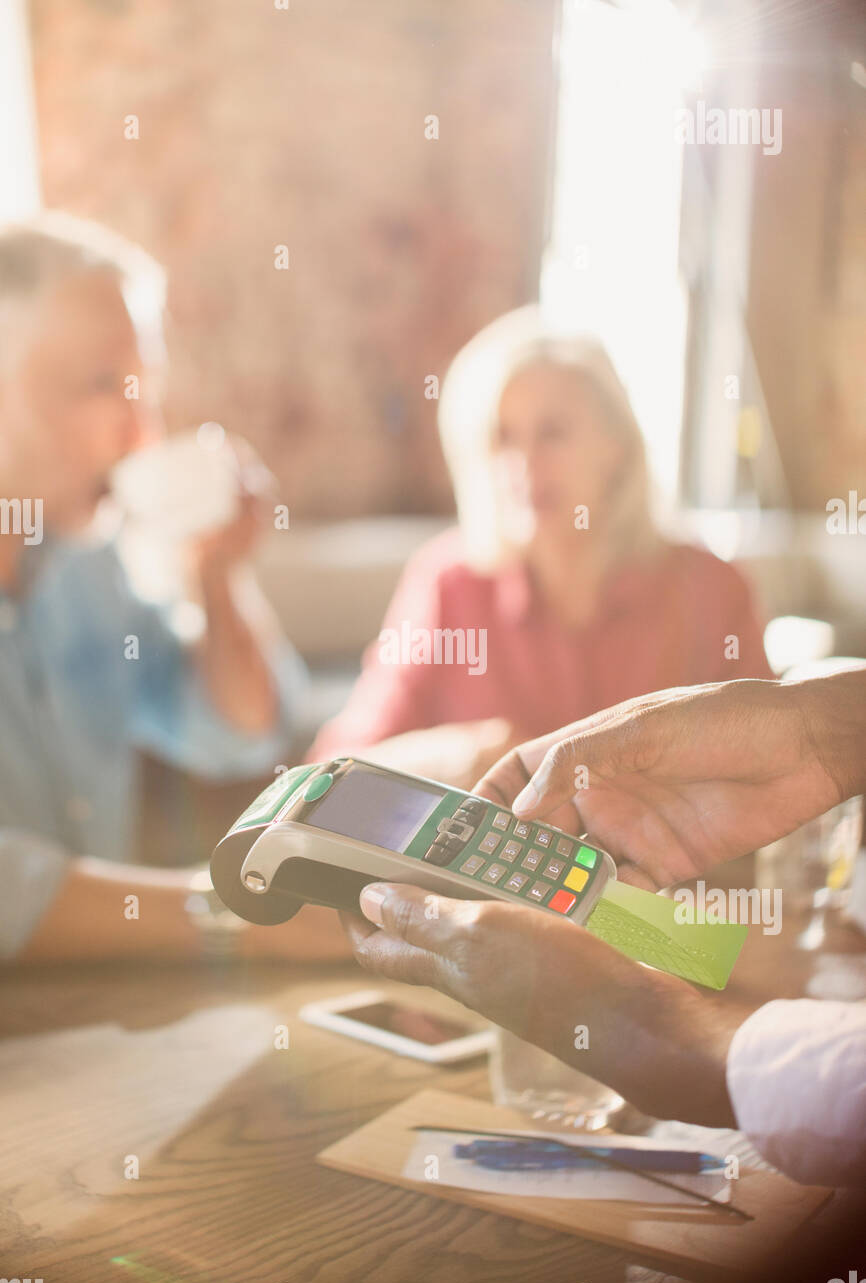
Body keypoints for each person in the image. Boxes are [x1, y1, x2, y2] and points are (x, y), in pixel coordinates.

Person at [343, 671, 866, 1186]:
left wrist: (657, 1030)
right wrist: (814, 729)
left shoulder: (711, 585)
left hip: (692, 932)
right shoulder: (452, 587)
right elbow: (353, 748)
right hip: (655, 903)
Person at [0, 212, 346, 962]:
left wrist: (216, 576)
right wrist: (232, 918)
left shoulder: (88, 567)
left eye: (144, 391)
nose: (143, 434)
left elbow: (234, 733)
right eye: (102, 388)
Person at [310, 307, 771, 784]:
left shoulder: (713, 589)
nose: (525, 464)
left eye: (553, 433)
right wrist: (459, 756)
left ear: (616, 446)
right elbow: (327, 776)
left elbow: (772, 772)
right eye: (502, 437)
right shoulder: (449, 584)